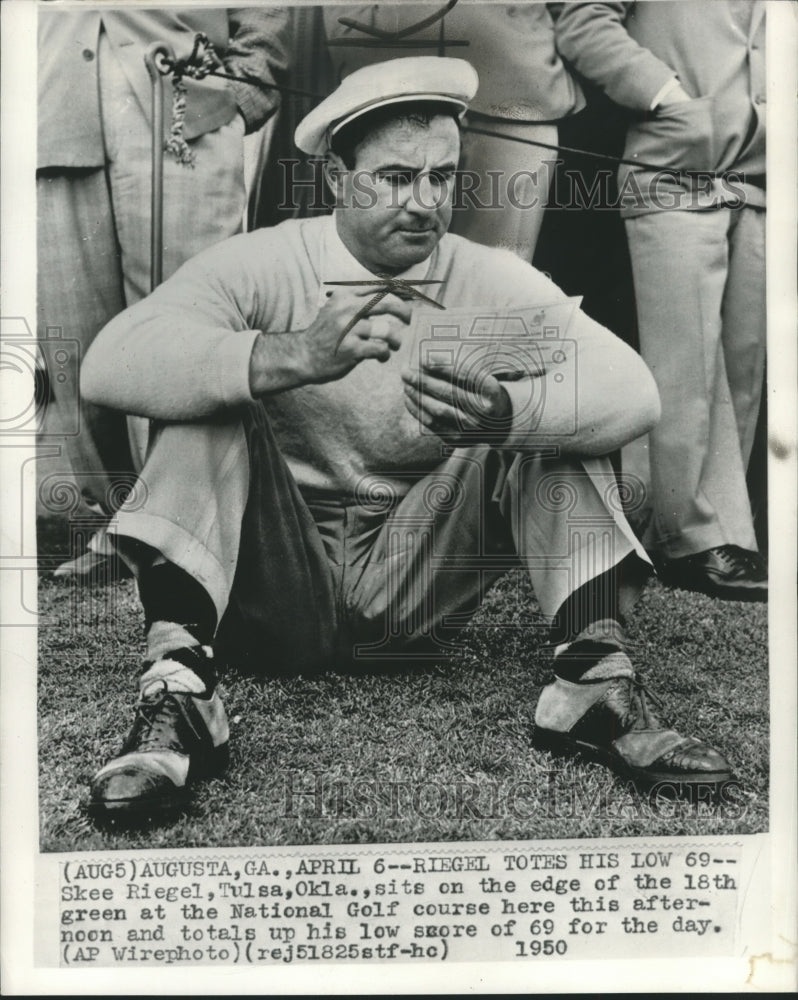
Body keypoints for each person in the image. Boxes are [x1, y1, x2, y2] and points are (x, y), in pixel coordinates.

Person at [80, 57, 732, 820]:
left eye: (442, 177)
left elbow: (634, 391)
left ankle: (590, 682)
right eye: (394, 178)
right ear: (335, 177)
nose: (424, 202)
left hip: (408, 594)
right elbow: (108, 364)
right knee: (206, 388)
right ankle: (182, 693)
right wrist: (282, 356)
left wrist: (509, 415)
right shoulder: (263, 263)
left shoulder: (482, 275)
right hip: (267, 599)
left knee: (560, 408)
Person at [38, 6, 291, 576]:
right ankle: (121, 524)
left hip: (181, 111)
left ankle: (193, 529)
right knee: (73, 339)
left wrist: (238, 95)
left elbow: (269, 18)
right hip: (54, 112)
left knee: (190, 331)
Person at [554, 1, 767, 601]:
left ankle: (728, 534)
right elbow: (581, 18)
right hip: (674, 164)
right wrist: (666, 95)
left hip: (761, 170)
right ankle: (687, 539)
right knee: (683, 361)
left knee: (745, 359)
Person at [323, 3, 584, 261]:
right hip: (383, 79)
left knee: (495, 275)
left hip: (514, 93)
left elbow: (580, 11)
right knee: (371, 268)